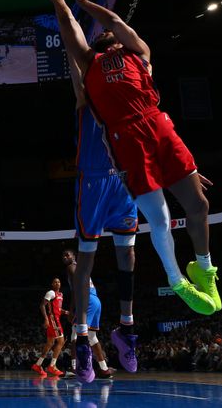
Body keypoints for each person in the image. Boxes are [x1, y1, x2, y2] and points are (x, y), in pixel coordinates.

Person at [45, 0, 220, 316]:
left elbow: (112, 20)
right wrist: (61, 1)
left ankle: (204, 268)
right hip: (126, 140)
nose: (106, 32)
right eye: (102, 36)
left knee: (198, 205)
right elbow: (71, 34)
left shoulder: (139, 54)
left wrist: (84, 2)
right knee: (160, 218)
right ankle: (176, 279)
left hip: (158, 124)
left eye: (110, 33)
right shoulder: (89, 63)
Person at [63, 35, 141, 376]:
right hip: (94, 180)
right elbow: (74, 52)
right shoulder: (88, 90)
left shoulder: (132, 85)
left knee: (128, 254)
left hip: (124, 178)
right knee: (87, 258)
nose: (114, 47)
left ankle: (126, 328)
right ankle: (81, 339)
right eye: (106, 44)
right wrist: (64, 8)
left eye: (116, 44)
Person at [62, 250, 114, 381]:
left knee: (76, 333)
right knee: (92, 337)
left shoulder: (71, 267)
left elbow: (76, 288)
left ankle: (75, 368)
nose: (65, 257)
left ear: (73, 256)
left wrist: (72, 308)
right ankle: (104, 369)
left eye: (67, 254)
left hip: (87, 300)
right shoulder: (81, 267)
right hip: (96, 300)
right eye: (63, 256)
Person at [31, 278, 67, 377]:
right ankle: (52, 366)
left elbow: (58, 309)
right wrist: (46, 319)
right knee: (60, 341)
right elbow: (42, 305)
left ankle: (38, 365)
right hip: (53, 320)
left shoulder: (61, 295)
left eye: (59, 281)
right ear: (52, 284)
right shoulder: (51, 293)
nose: (57, 283)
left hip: (57, 319)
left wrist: (65, 312)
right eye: (55, 282)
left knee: (50, 343)